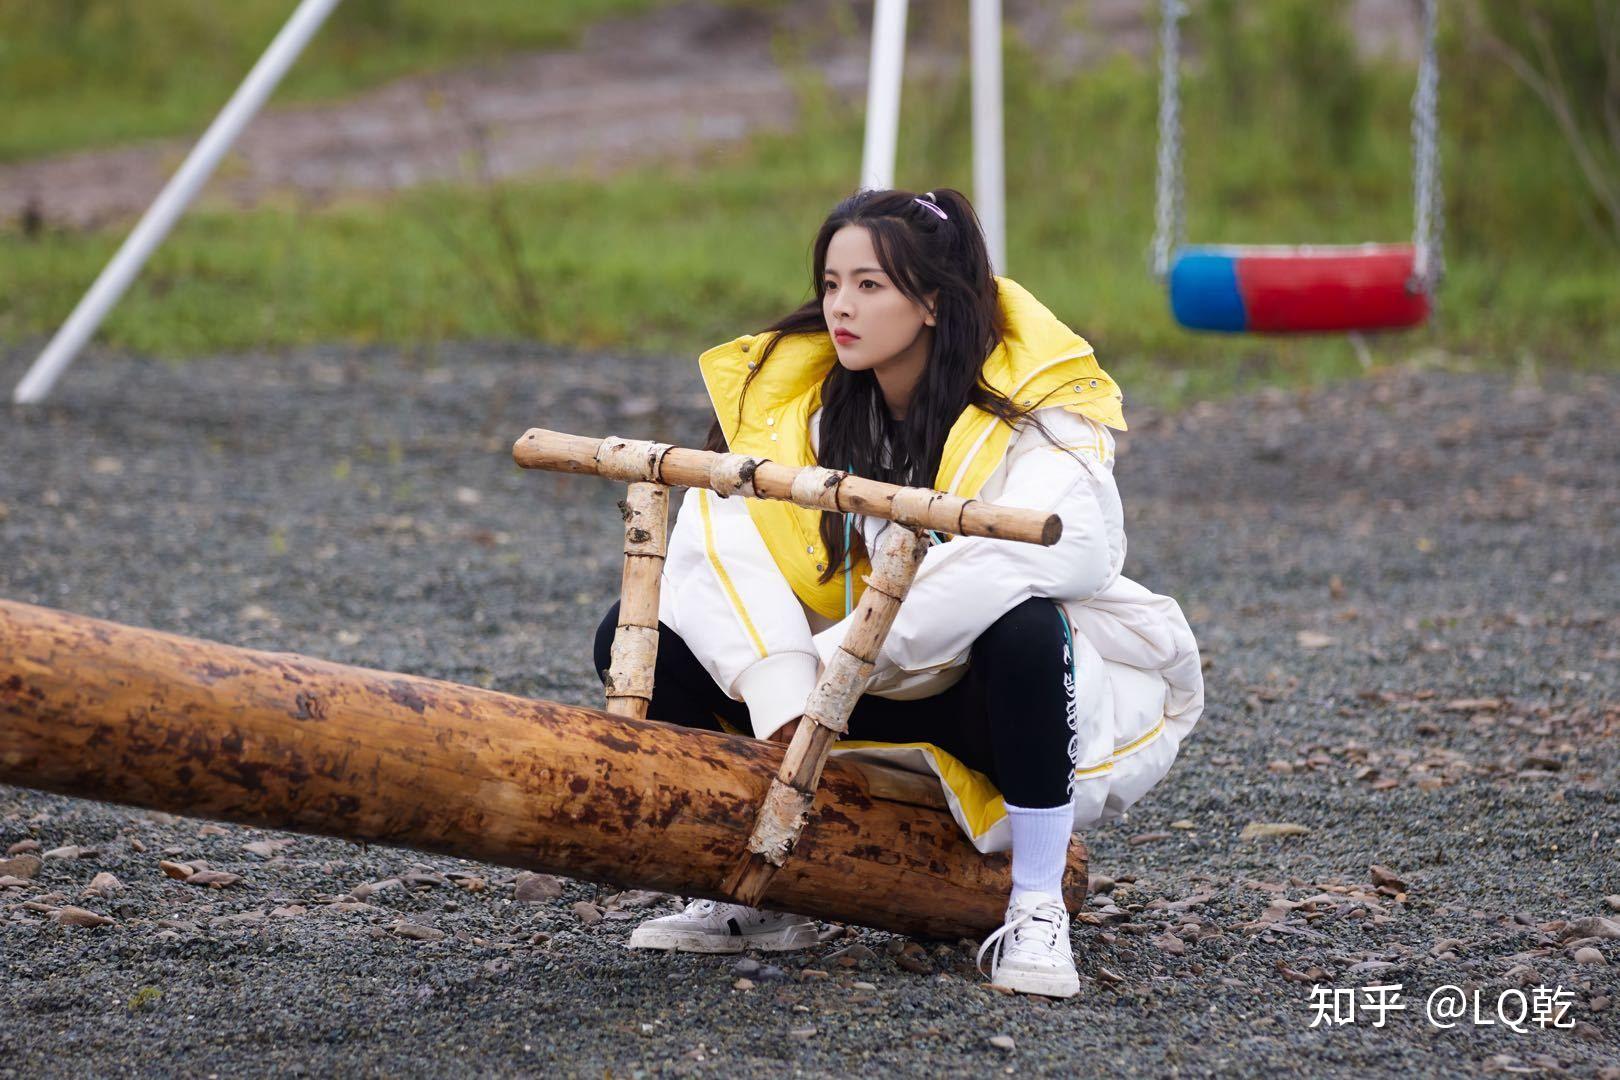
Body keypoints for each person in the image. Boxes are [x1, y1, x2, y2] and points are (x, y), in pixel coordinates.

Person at [592, 187, 1203, 998]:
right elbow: (720, 544)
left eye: (870, 286)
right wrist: (784, 691)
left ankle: (1036, 905)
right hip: (820, 702)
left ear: (932, 303)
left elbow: (1058, 550)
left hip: (962, 697)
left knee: (1023, 627)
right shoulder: (798, 406)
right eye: (832, 283)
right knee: (634, 633)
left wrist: (832, 670)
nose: (840, 307)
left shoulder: (1041, 415)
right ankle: (753, 888)